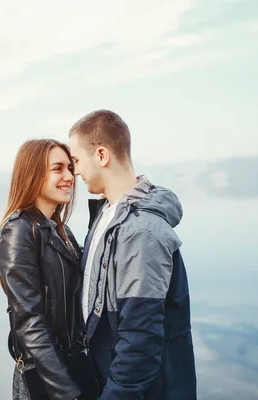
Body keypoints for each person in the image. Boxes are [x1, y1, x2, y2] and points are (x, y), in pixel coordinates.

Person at [68, 110, 197, 400]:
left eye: (76, 161)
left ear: (101, 155)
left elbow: (140, 341)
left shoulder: (141, 232)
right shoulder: (106, 214)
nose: (74, 171)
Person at [0, 139, 98, 400]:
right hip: (46, 378)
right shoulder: (18, 230)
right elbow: (29, 321)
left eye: (70, 167)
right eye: (57, 169)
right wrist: (65, 391)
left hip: (74, 364)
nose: (69, 176)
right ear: (33, 174)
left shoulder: (60, 230)